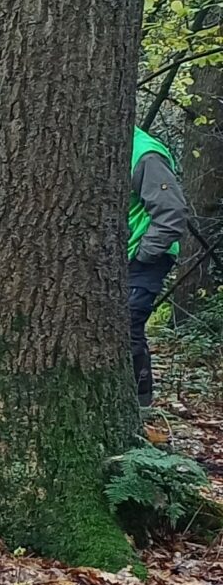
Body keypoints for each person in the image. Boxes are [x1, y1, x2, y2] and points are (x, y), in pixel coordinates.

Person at [129, 127, 193, 405]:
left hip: (146, 257)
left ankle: (140, 404)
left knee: (126, 324)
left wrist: (143, 255)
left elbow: (172, 213)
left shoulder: (144, 153)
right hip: (116, 257)